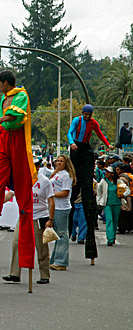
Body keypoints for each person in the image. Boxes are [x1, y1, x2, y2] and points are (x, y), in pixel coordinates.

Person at [0, 70, 37, 273]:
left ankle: (26, 261)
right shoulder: (4, 97)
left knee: (22, 186)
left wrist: (1, 119)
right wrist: (2, 123)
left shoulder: (21, 95)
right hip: (4, 138)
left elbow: (18, 115)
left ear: (5, 83)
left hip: (17, 139)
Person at [67, 104, 113, 262]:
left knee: (86, 180)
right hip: (75, 148)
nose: (87, 117)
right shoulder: (76, 120)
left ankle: (85, 184)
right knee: (76, 179)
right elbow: (69, 133)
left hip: (85, 147)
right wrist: (72, 142)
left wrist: (107, 145)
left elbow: (100, 134)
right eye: (85, 114)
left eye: (89, 115)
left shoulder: (93, 123)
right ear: (82, 113)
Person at [3, 158, 55, 284]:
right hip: (24, 216)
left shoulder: (44, 181)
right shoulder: (21, 179)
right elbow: (10, 194)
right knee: (16, 244)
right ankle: (14, 274)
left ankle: (44, 275)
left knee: (41, 248)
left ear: (38, 167)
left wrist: (51, 219)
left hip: (39, 218)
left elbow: (51, 201)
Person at [49, 155, 76, 271]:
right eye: (57, 161)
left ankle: (61, 261)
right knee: (57, 234)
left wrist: (52, 195)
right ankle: (55, 259)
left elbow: (65, 192)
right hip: (54, 206)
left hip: (61, 207)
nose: (58, 163)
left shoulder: (66, 176)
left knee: (62, 234)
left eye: (61, 161)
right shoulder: (57, 174)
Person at [96, 166, 130, 246]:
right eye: (106, 172)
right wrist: (99, 202)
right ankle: (110, 238)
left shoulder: (118, 181)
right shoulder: (103, 181)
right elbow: (99, 192)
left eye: (108, 172)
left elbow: (127, 190)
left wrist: (123, 195)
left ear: (112, 173)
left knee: (115, 221)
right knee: (109, 220)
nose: (106, 173)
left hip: (117, 204)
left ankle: (113, 236)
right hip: (107, 204)